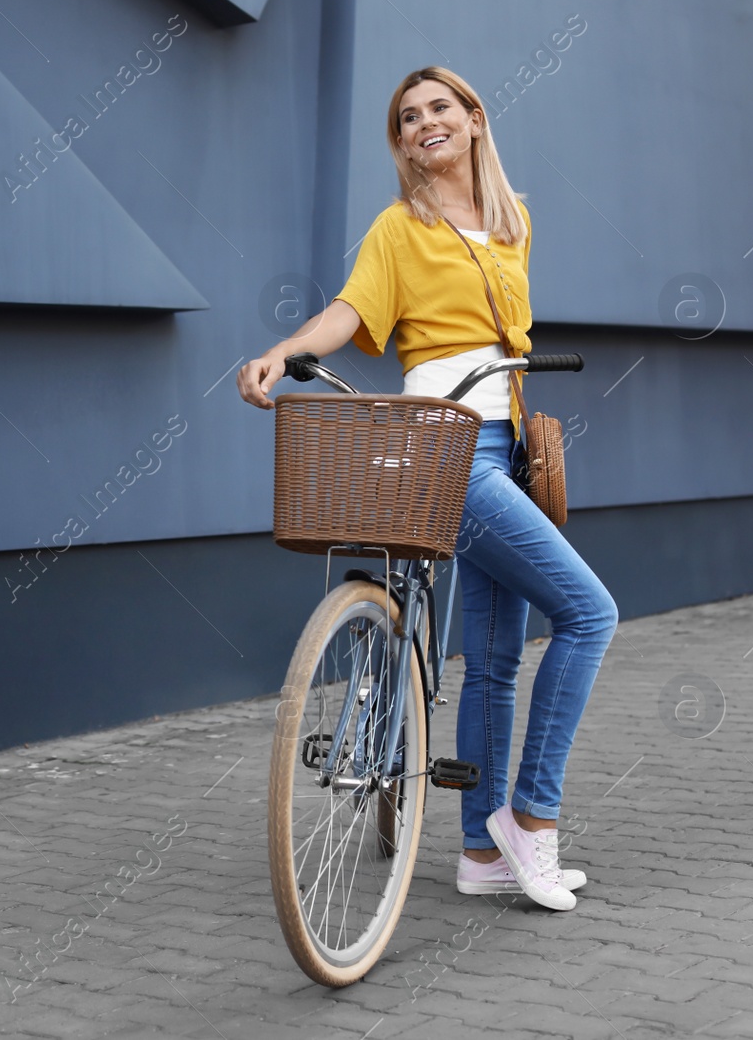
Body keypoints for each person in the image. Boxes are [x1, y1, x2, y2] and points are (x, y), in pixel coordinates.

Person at [236, 66, 617, 911]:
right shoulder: (398, 229)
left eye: (440, 107)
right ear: (403, 143)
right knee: (591, 613)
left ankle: (481, 851)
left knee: (489, 665)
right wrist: (285, 351)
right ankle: (533, 820)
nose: (424, 123)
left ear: (475, 120)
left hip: (504, 450)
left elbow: (504, 341)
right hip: (447, 452)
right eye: (409, 117)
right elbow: (349, 310)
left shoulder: (515, 225)